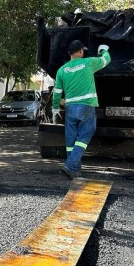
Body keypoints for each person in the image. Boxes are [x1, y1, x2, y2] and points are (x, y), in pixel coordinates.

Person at [52, 40, 111, 179]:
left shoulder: (62, 70)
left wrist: (55, 108)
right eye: (82, 50)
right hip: (86, 106)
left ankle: (74, 171)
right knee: (85, 134)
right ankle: (71, 165)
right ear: (80, 51)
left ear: (69, 54)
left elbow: (57, 92)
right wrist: (103, 50)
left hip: (70, 108)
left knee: (71, 140)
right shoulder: (88, 63)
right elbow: (106, 59)